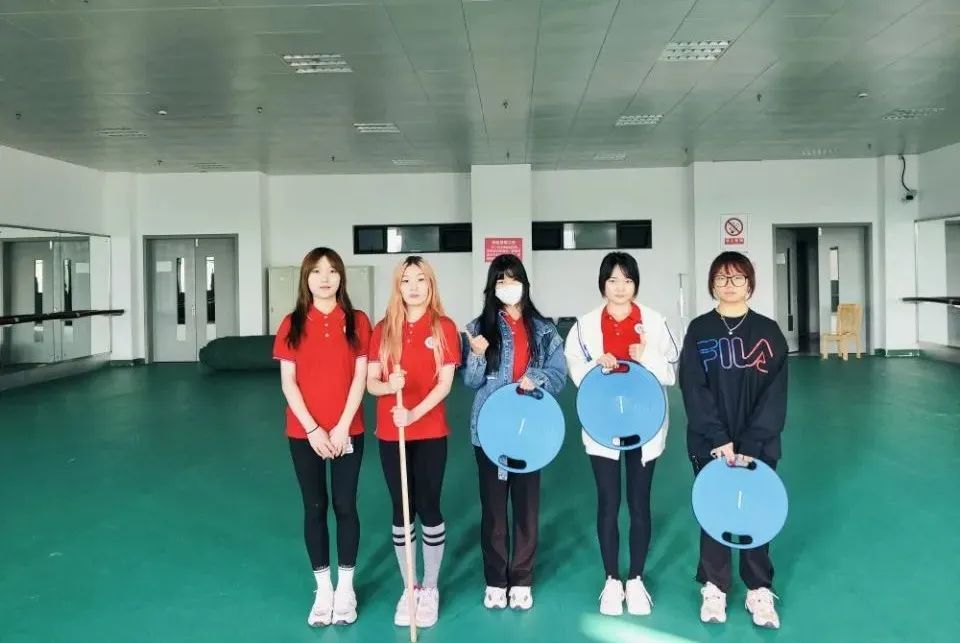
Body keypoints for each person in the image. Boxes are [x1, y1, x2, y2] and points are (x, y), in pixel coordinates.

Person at [678, 250, 788, 629]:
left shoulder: (769, 332)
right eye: (722, 278)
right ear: (712, 285)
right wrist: (718, 437)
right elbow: (693, 387)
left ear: (749, 285)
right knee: (716, 511)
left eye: (737, 278)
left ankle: (758, 587)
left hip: (759, 446)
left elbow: (775, 396)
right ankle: (715, 586)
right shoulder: (699, 330)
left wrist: (753, 445)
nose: (729, 285)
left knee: (756, 512)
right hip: (711, 444)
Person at [564, 251, 677, 617]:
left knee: (639, 502)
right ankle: (612, 579)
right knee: (608, 501)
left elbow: (672, 368)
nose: (620, 287)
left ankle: (636, 579)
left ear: (635, 284)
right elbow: (574, 366)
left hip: (645, 421)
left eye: (627, 280)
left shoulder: (655, 322)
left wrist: (647, 356)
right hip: (603, 422)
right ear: (602, 284)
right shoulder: (585, 325)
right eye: (612, 280)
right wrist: (595, 365)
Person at [462, 254, 567, 611]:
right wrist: (478, 355)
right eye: (501, 281)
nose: (508, 286)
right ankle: (495, 580)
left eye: (513, 279)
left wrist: (535, 377)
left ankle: (521, 579)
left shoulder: (544, 330)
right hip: (490, 429)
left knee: (526, 508)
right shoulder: (480, 327)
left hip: (530, 430)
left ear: (524, 283)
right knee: (494, 510)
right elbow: (471, 381)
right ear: (492, 288)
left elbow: (559, 376)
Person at [273, 247, 371, 627]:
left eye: (332, 271)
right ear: (306, 279)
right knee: (314, 507)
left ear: (341, 277)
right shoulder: (292, 324)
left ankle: (345, 589)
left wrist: (343, 425)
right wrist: (313, 429)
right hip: (304, 434)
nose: (325, 278)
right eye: (316, 271)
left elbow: (360, 377)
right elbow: (289, 382)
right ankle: (323, 590)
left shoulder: (358, 321)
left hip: (349, 430)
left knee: (345, 505)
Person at [366, 255, 461, 629]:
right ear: (398, 287)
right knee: (401, 508)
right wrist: (388, 386)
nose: (414, 287)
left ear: (431, 284)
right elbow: (371, 382)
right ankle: (411, 587)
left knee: (429, 505)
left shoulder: (444, 327)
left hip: (430, 431)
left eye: (421, 279)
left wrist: (413, 413)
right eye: (406, 280)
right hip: (392, 433)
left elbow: (445, 384)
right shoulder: (383, 329)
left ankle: (431, 587)